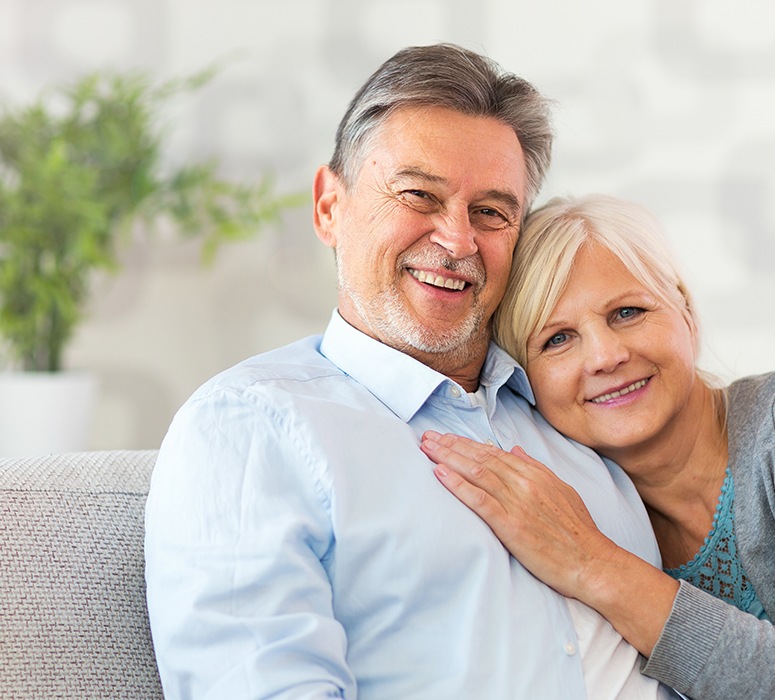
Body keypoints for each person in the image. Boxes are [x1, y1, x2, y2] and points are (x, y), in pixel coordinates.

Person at [145, 46, 677, 699]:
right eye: (418, 195)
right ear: (328, 207)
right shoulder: (251, 426)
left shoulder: (582, 407)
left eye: (490, 212)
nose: (457, 241)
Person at [421, 193, 775, 700]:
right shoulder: (588, 511)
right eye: (558, 340)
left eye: (628, 312)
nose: (606, 356)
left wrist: (593, 566)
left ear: (685, 310)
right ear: (522, 383)